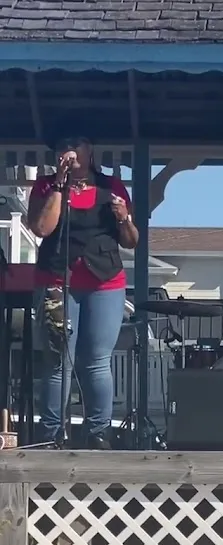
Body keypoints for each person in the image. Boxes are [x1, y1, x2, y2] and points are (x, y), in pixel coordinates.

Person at [27, 131, 138, 449]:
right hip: (57, 281)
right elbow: (42, 228)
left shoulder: (111, 187)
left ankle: (98, 431)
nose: (69, 151)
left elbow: (131, 240)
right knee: (58, 361)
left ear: (90, 151)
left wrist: (124, 219)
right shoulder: (46, 186)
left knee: (97, 360)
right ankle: (50, 434)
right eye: (63, 147)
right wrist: (59, 186)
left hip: (105, 283)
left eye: (75, 145)